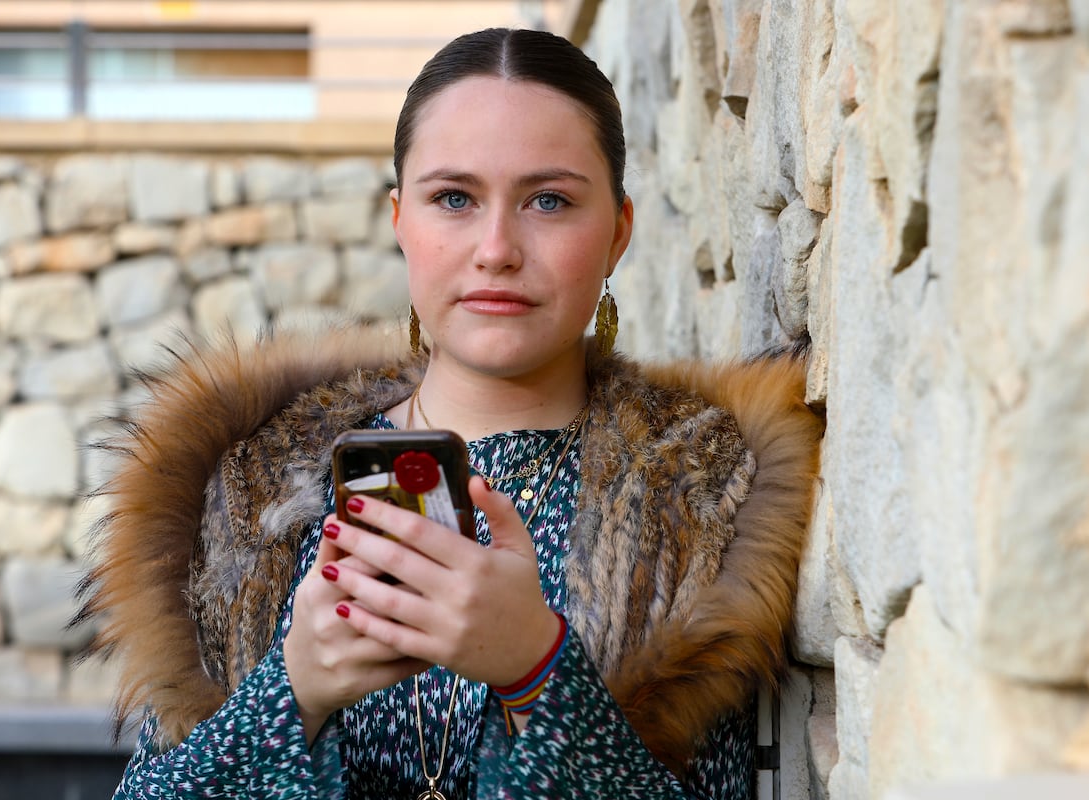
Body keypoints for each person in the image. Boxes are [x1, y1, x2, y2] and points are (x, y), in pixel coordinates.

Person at [81, 26, 822, 800]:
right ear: (401, 220)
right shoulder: (255, 493)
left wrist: (537, 674)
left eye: (548, 200)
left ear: (618, 233)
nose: (496, 248)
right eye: (454, 199)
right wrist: (289, 695)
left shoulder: (701, 493)